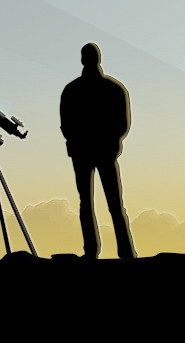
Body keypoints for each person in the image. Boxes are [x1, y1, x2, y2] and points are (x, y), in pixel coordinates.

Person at [59, 42, 136, 258]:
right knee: (99, 204)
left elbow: (122, 124)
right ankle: (112, 251)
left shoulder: (75, 90)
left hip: (97, 152)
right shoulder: (111, 89)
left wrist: (107, 145)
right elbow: (67, 124)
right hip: (92, 152)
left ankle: (114, 251)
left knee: (106, 203)